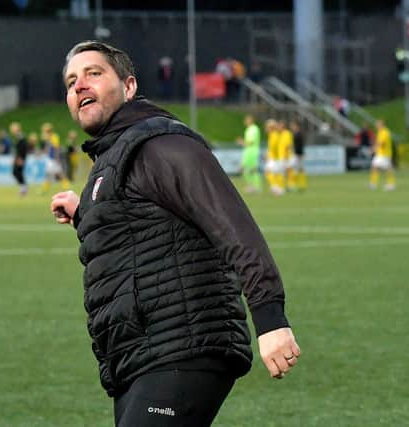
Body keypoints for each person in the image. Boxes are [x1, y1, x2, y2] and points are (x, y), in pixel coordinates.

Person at [50, 40, 300, 427]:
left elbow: (232, 224)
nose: (79, 86)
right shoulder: (112, 158)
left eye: (93, 74)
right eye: (70, 82)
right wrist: (86, 215)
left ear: (129, 86)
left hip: (184, 347)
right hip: (140, 356)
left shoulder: (162, 144)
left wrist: (270, 318)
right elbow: (138, 237)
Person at [236, 114, 262, 193]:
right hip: (247, 151)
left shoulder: (254, 129)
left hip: (253, 151)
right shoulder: (248, 129)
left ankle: (257, 187)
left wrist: (242, 142)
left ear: (251, 120)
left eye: (247, 120)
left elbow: (251, 142)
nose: (245, 121)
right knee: (244, 169)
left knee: (253, 169)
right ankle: (251, 185)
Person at [369, 119, 396, 191]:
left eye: (378, 124)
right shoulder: (380, 132)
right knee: (376, 167)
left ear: (382, 125)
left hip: (384, 154)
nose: (376, 126)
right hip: (381, 154)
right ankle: (374, 184)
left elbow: (381, 143)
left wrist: (373, 149)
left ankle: (390, 184)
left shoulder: (385, 132)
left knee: (386, 169)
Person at [264, 118, 284, 196]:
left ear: (270, 128)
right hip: (274, 158)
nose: (266, 128)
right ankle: (277, 188)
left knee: (270, 173)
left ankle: (276, 189)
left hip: (274, 159)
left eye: (267, 127)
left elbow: (275, 148)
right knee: (275, 173)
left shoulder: (274, 135)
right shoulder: (273, 135)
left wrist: (271, 156)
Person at [10, 125, 29, 196]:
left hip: (20, 157)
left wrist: (21, 158)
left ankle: (23, 188)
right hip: (18, 157)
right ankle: (23, 187)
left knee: (17, 172)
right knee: (16, 172)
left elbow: (23, 148)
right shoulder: (18, 137)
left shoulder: (21, 137)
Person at [290, 120, 308, 191]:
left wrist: (300, 154)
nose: (292, 127)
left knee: (296, 169)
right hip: (297, 154)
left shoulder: (299, 134)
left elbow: (300, 145)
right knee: (299, 169)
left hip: (298, 154)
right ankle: (300, 185)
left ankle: (295, 185)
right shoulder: (295, 134)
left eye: (293, 125)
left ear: (296, 126)